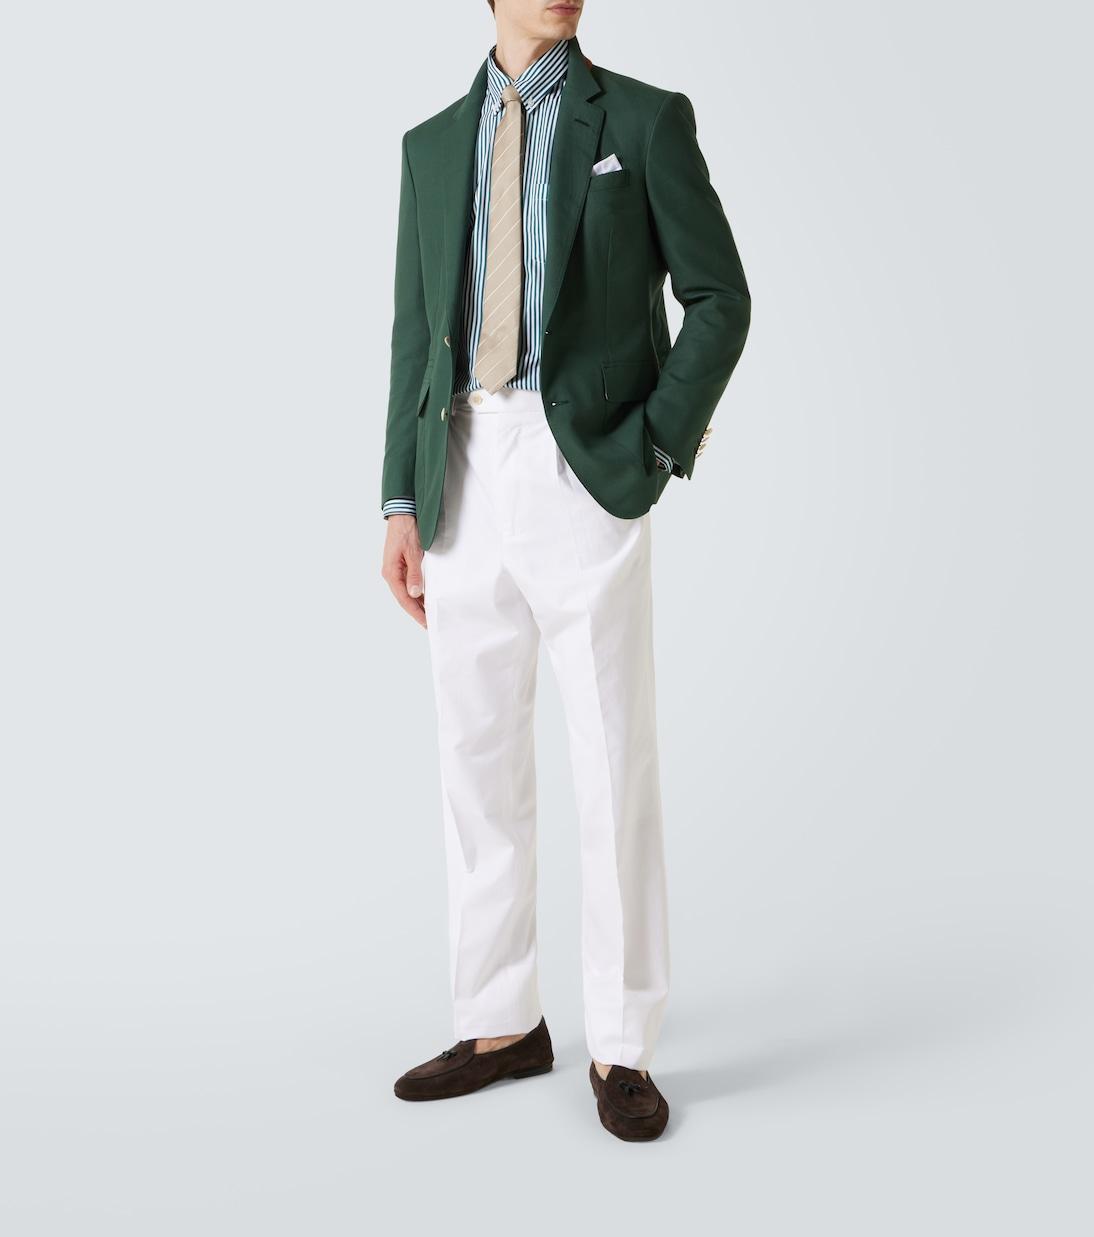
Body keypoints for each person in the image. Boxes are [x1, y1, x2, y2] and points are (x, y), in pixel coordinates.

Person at [379, 0, 749, 1141]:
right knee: (475, 759)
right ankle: (500, 1022)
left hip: (584, 464)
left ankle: (622, 1043)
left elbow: (719, 298)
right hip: (461, 468)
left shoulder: (641, 121)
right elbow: (412, 337)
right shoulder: (431, 145)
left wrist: (653, 445)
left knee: (610, 758)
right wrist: (400, 499)